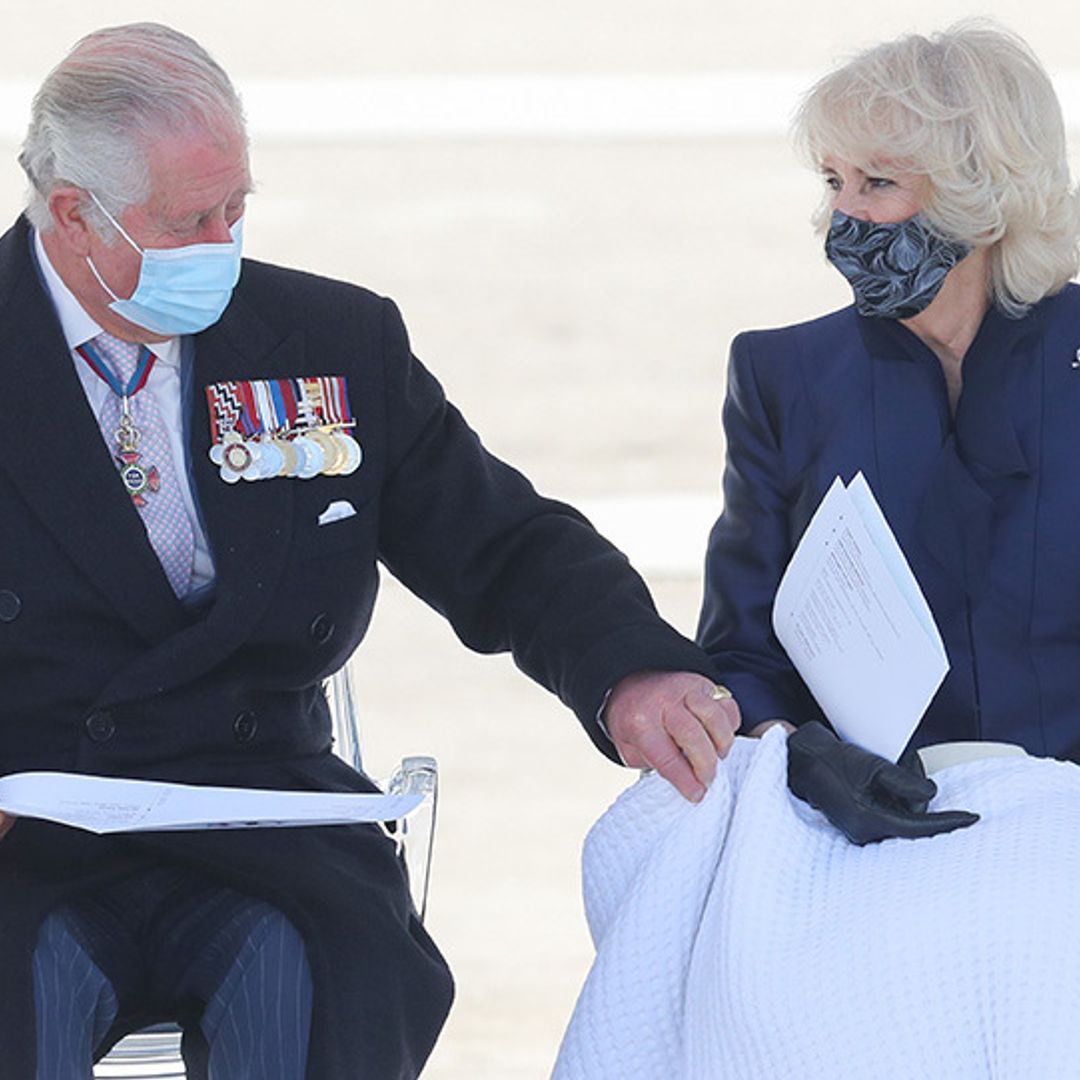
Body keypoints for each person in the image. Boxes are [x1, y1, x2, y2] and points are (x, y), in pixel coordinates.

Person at [0, 22, 741, 1080]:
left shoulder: (327, 342)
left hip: (264, 817)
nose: (224, 243)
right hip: (27, 831)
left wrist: (633, 668)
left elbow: (504, 543)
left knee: (313, 998)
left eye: (237, 207)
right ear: (72, 210)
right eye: (189, 219)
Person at [697, 22, 1080, 842]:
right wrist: (802, 755)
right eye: (833, 179)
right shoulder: (784, 376)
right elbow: (740, 653)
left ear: (979, 195)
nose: (842, 214)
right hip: (868, 827)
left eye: (877, 182)